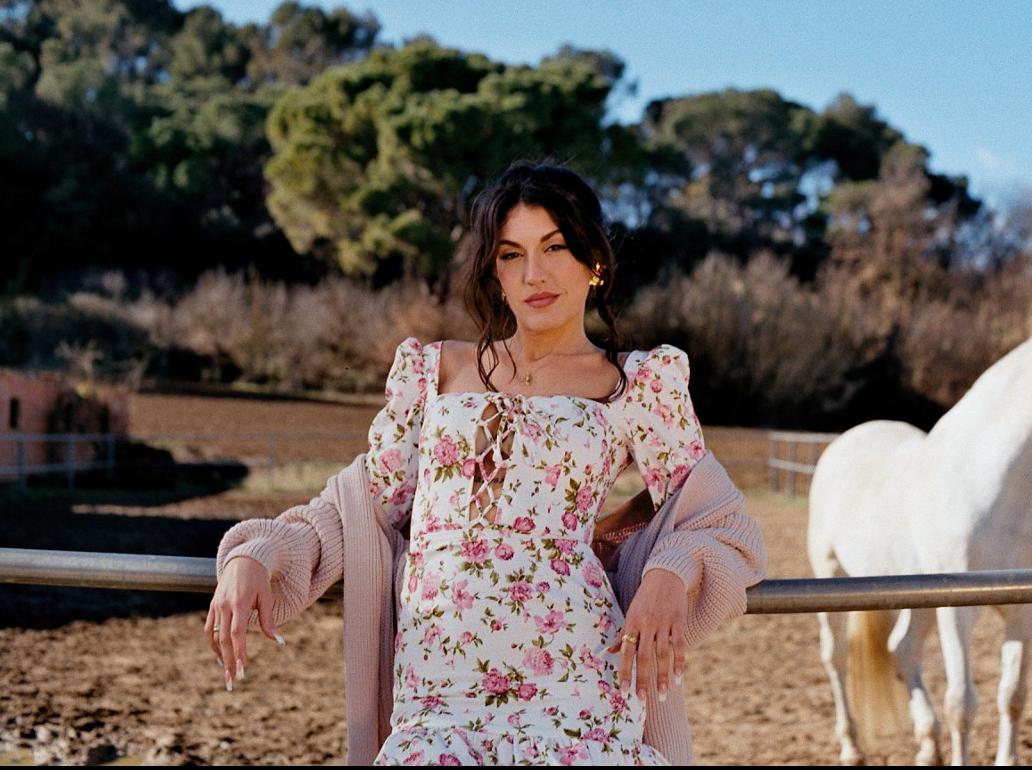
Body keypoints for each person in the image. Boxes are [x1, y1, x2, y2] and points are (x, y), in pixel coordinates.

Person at [204, 161, 766, 765]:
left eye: (555, 247)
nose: (533, 274)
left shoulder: (638, 385)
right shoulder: (435, 371)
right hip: (435, 693)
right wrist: (257, 554)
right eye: (510, 254)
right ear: (494, 272)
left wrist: (668, 573)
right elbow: (358, 507)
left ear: (594, 261)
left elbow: (719, 523)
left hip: (575, 690)